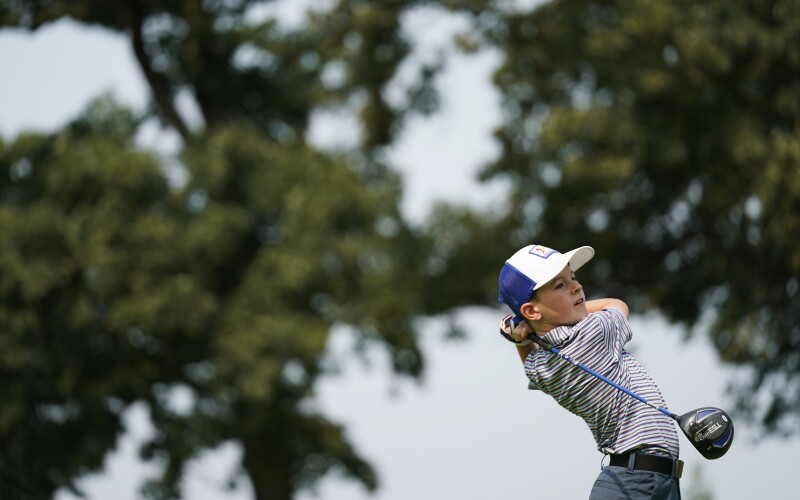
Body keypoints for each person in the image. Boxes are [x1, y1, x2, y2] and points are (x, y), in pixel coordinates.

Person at [497, 243, 683, 500]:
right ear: (531, 309)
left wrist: (523, 335)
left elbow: (530, 365)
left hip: (635, 480)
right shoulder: (595, 331)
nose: (577, 287)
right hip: (636, 482)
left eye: (572, 277)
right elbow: (616, 304)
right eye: (560, 285)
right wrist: (527, 329)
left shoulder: (543, 366)